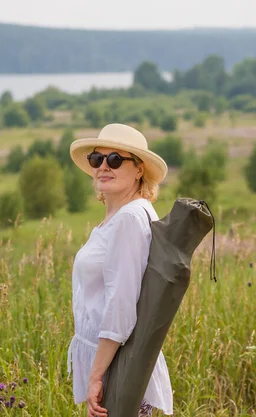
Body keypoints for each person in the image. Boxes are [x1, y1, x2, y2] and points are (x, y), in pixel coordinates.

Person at [67, 124, 173, 417]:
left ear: (139, 170)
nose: (103, 166)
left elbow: (121, 306)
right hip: (115, 362)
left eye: (115, 159)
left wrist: (96, 376)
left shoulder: (129, 218)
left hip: (118, 368)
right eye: (96, 159)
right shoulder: (120, 216)